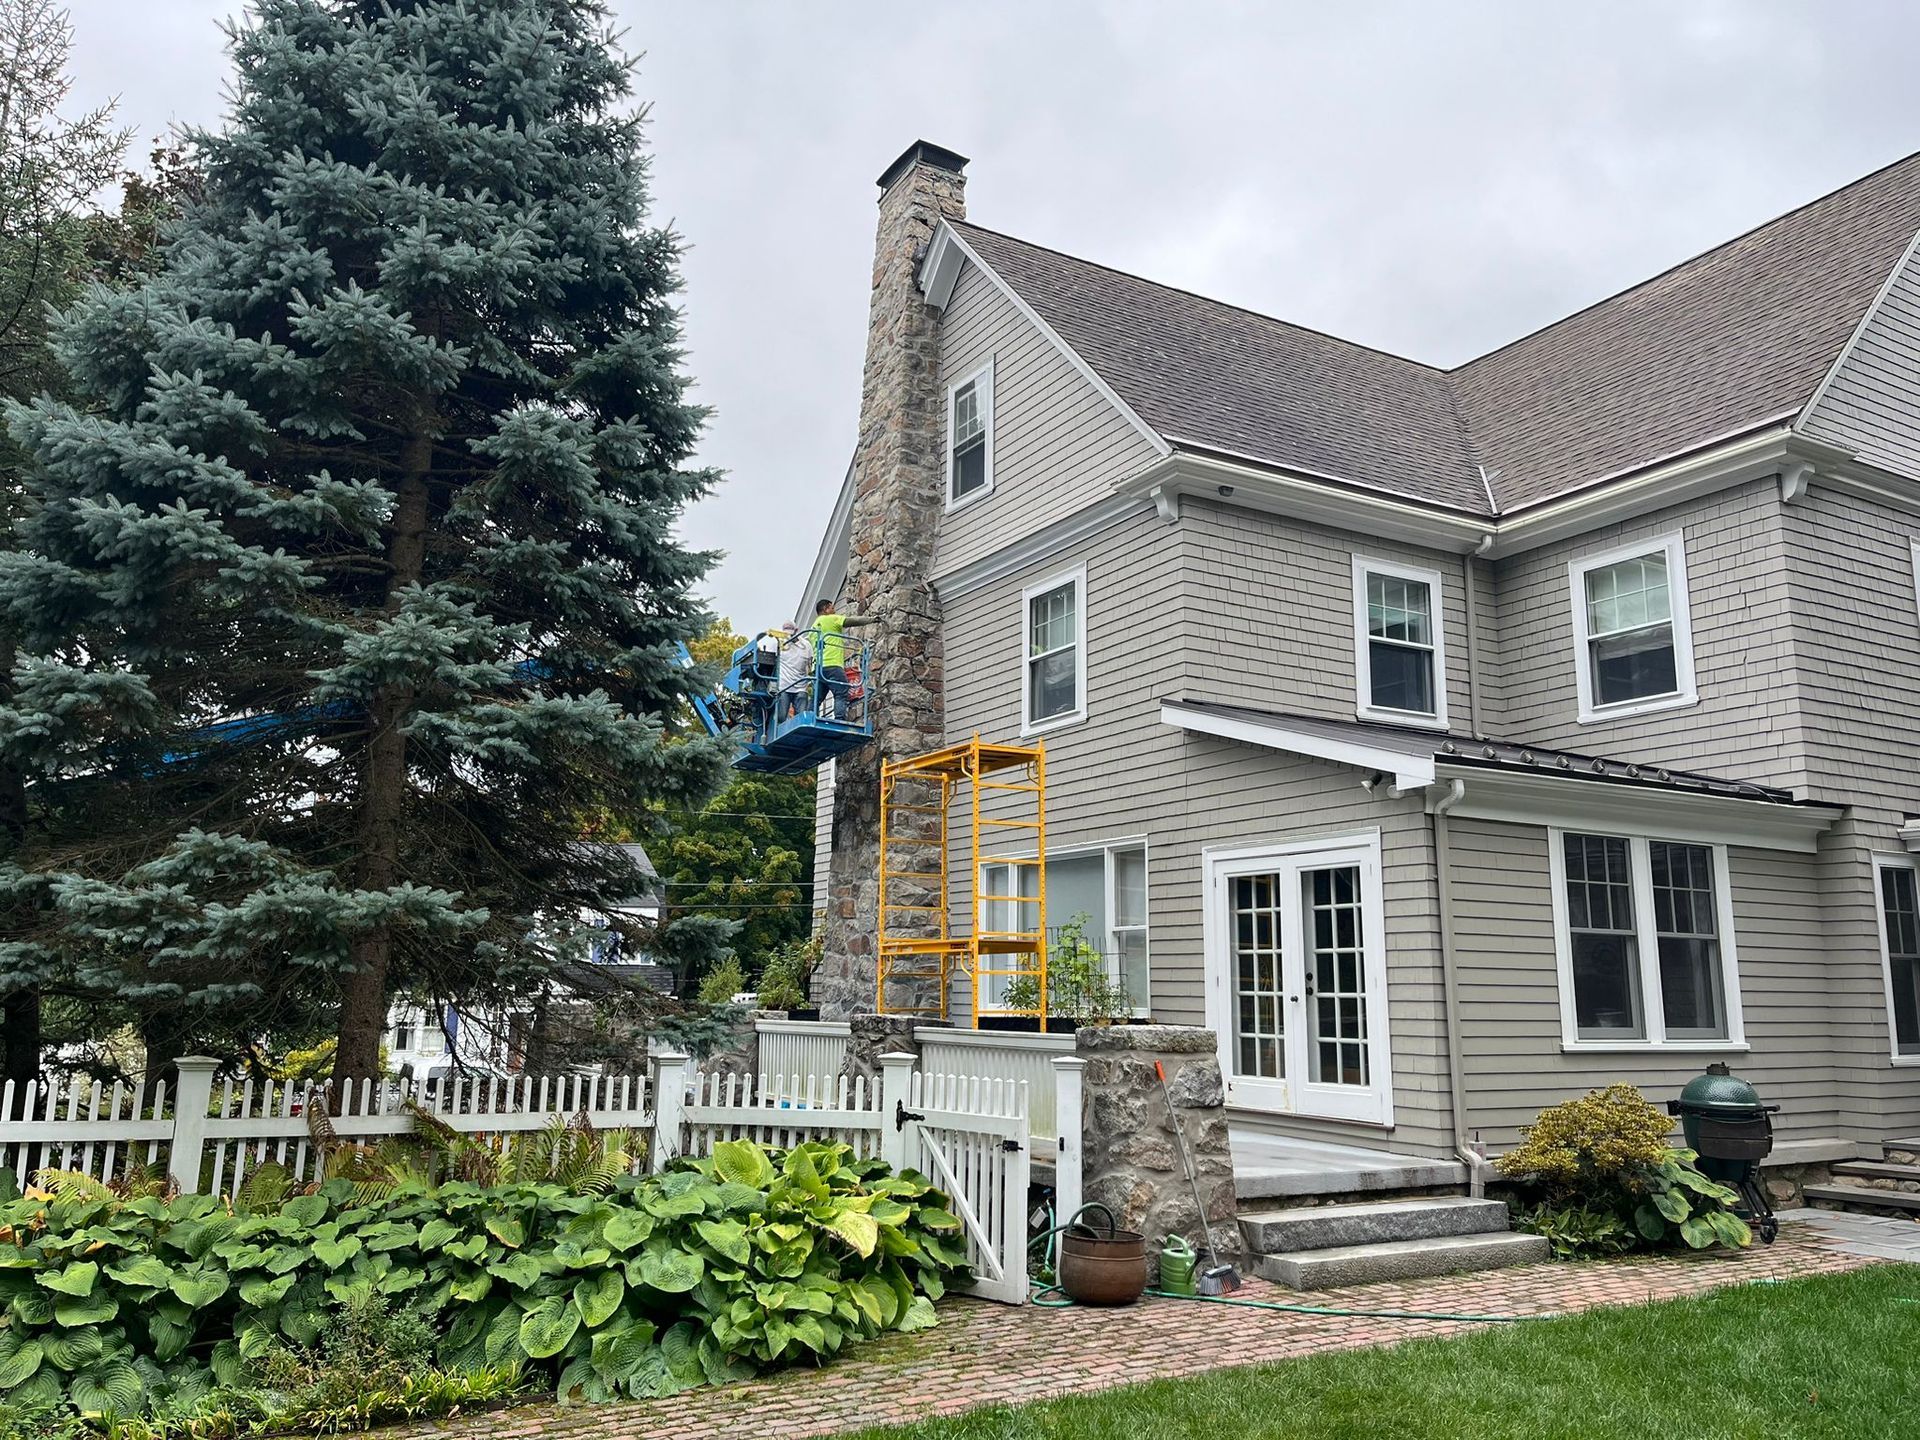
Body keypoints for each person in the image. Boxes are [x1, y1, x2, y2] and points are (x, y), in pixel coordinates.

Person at [813, 598, 876, 718]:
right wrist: (871, 620)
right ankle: (839, 719)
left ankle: (810, 716)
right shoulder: (830, 619)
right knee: (842, 691)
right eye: (832, 608)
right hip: (832, 663)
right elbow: (851, 621)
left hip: (818, 667)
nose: (834, 610)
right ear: (826, 609)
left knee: (817, 697)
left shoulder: (814, 626)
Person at [776, 624, 812, 720]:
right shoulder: (780, 644)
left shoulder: (806, 645)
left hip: (801, 687)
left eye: (791, 634)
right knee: (781, 717)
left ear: (796, 630)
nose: (789, 637)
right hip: (784, 687)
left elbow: (810, 665)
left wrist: (809, 682)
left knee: (801, 719)